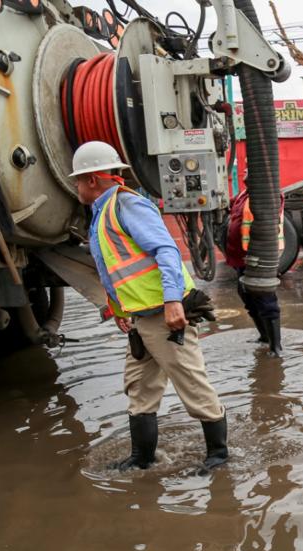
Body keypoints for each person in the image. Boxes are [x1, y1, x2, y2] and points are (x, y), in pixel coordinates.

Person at [70, 141, 228, 472]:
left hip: (164, 316)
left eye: (78, 180)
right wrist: (118, 310)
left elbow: (166, 250)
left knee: (191, 383)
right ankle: (142, 459)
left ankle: (219, 456)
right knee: (140, 389)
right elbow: (115, 270)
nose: (76, 187)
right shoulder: (102, 212)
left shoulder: (127, 205)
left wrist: (172, 302)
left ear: (93, 180)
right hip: (141, 319)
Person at [224, 171, 284, 356]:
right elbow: (229, 206)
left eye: (249, 170)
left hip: (258, 257)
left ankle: (276, 347)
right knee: (246, 296)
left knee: (265, 298)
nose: (245, 172)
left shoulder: (269, 196)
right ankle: (264, 336)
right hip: (240, 257)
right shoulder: (244, 194)